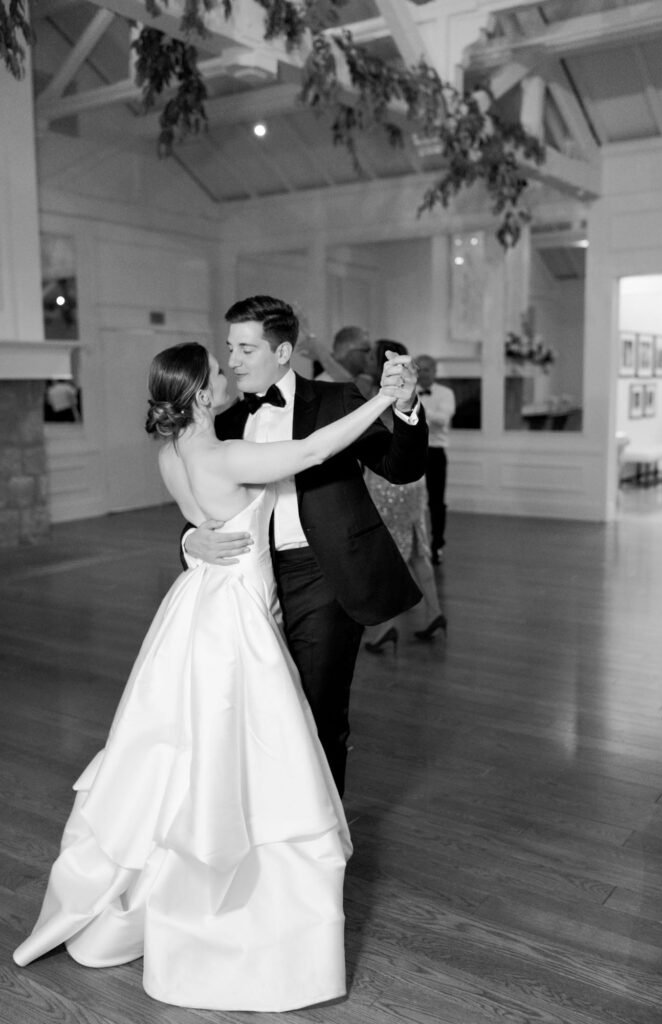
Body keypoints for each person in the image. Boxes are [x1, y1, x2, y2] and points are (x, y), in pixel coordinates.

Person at [13, 341, 409, 1011]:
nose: (229, 374)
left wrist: (195, 538)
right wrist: (377, 399)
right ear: (198, 395)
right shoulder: (224, 455)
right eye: (218, 372)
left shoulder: (171, 456)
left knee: (181, 748)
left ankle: (163, 871)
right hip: (236, 623)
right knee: (243, 750)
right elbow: (313, 452)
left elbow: (201, 518)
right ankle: (233, 884)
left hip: (194, 608)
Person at [183, 295, 428, 796]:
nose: (232, 361)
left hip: (323, 573)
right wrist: (191, 541)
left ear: (283, 351)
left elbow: (400, 468)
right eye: (229, 348)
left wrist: (404, 408)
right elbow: (200, 506)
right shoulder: (224, 422)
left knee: (317, 710)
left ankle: (322, 843)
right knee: (256, 712)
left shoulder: (337, 401)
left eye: (246, 349)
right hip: (246, 583)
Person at [354, 341, 447, 652]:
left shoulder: (368, 388)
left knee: (385, 552)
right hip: (413, 479)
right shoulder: (406, 384)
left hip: (386, 479)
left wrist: (318, 349)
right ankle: (434, 613)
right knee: (419, 546)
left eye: (369, 354)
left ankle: (383, 628)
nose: (365, 359)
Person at [415, 355, 455, 566]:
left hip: (435, 453)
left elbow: (442, 420)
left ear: (435, 371)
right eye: (419, 369)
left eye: (427, 369)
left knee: (436, 502)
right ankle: (415, 545)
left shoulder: (446, 393)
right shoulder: (409, 392)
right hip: (412, 452)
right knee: (414, 499)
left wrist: (415, 406)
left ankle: (437, 544)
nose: (423, 374)